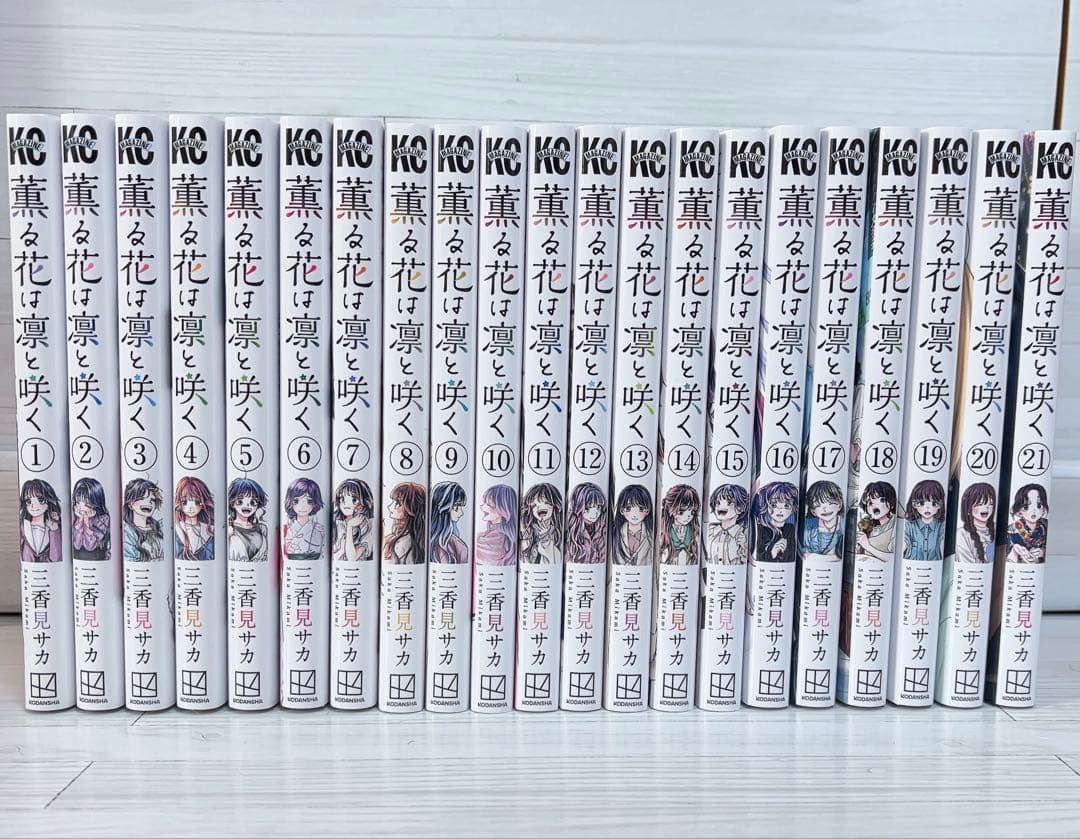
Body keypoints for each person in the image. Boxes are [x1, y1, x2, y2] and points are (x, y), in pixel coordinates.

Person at [282, 478, 326, 562]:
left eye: (309, 501)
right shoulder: (287, 529)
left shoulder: (320, 529)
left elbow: (323, 552)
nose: (302, 506)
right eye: (296, 501)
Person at [19, 479, 63, 564]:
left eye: (40, 500)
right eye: (29, 501)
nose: (33, 506)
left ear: (49, 501)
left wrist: (54, 530)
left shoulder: (52, 526)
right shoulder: (24, 526)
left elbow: (56, 558)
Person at [902, 479, 946, 563]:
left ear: (941, 505)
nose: (927, 508)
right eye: (922, 503)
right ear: (914, 504)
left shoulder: (941, 526)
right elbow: (903, 544)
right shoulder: (909, 525)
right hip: (911, 566)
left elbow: (942, 544)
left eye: (934, 503)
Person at [754, 481, 798, 563]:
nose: (780, 510)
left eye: (786, 506)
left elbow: (791, 556)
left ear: (793, 508)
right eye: (774, 505)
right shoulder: (761, 529)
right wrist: (772, 553)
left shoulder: (790, 529)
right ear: (766, 506)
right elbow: (758, 556)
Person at [382, 482, 425, 565]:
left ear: (410, 508)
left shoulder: (405, 542)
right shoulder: (394, 537)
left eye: (397, 504)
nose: (389, 507)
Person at [519, 483, 563, 565]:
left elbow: (555, 560)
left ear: (555, 505)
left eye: (545, 502)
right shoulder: (528, 532)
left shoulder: (559, 531)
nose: (539, 507)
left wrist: (545, 538)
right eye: (534, 505)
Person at [564, 482, 607, 565]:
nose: (596, 512)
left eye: (598, 507)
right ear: (579, 506)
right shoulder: (571, 528)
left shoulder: (602, 528)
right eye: (589, 507)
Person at [800, 480, 844, 561]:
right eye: (818, 504)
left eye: (830, 503)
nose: (825, 509)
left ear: (839, 504)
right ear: (813, 511)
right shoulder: (808, 526)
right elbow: (804, 555)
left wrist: (817, 557)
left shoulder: (846, 524)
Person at [706, 484, 749, 565]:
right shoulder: (711, 532)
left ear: (740, 508)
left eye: (729, 503)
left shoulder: (743, 534)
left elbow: (745, 561)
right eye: (718, 503)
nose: (721, 507)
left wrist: (744, 545)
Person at [227, 478, 268, 563]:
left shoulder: (262, 529)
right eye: (240, 501)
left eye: (253, 502)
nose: (247, 505)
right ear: (232, 503)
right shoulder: (229, 529)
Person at [332, 479, 374, 563]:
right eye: (342, 499)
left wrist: (350, 527)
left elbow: (352, 558)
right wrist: (341, 551)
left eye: (354, 500)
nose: (346, 504)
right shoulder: (337, 523)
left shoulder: (367, 526)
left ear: (364, 502)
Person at [123, 479, 164, 563]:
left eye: (152, 500)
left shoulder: (159, 527)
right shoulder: (127, 532)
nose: (149, 503)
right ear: (130, 504)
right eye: (142, 498)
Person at [475, 484, 517, 566]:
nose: (482, 506)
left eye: (489, 504)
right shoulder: (490, 533)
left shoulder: (498, 537)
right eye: (484, 503)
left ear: (503, 509)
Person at [611, 484, 653, 566]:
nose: (634, 514)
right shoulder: (616, 533)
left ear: (647, 510)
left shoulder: (650, 534)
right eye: (628, 508)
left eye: (641, 509)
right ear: (621, 510)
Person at [658, 484, 700, 565]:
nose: (688, 516)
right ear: (671, 510)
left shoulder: (694, 530)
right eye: (681, 512)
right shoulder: (665, 530)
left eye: (692, 512)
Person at [174, 476, 214, 562]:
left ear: (203, 503)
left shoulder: (209, 529)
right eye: (184, 502)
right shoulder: (176, 528)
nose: (190, 507)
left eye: (197, 502)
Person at [855, 481, 897, 562]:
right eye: (870, 502)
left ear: (891, 503)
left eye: (881, 500)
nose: (874, 506)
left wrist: (868, 547)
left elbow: (895, 558)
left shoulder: (896, 523)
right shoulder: (868, 526)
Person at [955, 482, 996, 564]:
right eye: (980, 504)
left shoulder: (996, 529)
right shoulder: (962, 534)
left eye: (990, 504)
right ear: (968, 508)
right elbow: (966, 564)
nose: (986, 508)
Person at [1007, 483, 1048, 564]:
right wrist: (1015, 551)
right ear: (1019, 510)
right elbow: (1007, 558)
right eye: (1026, 507)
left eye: (1039, 505)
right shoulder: (1012, 529)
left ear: (1044, 508)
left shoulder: (1046, 525)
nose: (1034, 511)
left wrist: (1042, 552)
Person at [72, 477, 110, 562]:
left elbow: (90, 546)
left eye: (87, 504)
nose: (81, 507)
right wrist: (80, 520)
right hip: (78, 558)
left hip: (96, 557)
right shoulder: (76, 516)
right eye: (77, 502)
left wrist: (86, 521)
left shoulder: (103, 519)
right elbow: (76, 545)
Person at [429, 481, 468, 564]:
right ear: (444, 507)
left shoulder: (457, 545)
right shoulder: (458, 546)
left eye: (461, 507)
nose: (461, 513)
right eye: (456, 507)